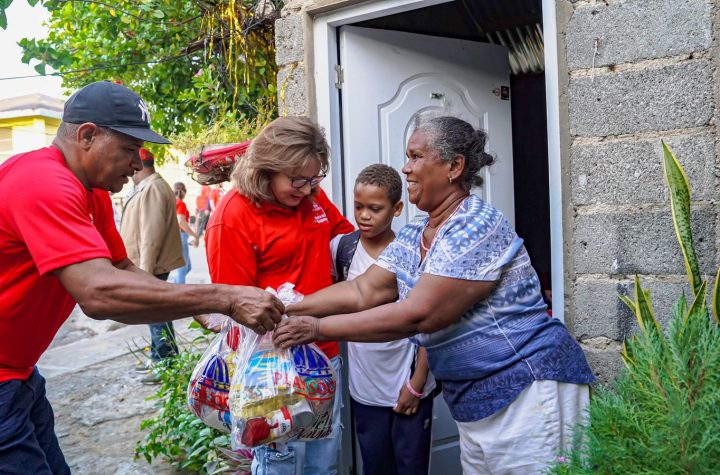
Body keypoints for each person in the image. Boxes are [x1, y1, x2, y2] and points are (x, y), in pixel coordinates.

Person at [274, 116, 596, 474]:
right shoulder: (414, 236)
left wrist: (316, 329)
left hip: (528, 392)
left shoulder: (474, 224)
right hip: (477, 403)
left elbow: (419, 315)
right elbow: (364, 289)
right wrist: (286, 306)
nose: (406, 168)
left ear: (454, 167)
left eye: (415, 157)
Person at [0, 81, 283, 475]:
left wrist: (201, 307)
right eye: (129, 149)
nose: (138, 162)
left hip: (19, 373)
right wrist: (224, 297)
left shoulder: (91, 192)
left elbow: (121, 271)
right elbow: (98, 294)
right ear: (87, 136)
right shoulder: (43, 181)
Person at [205, 116, 354, 475]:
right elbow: (233, 307)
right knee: (279, 463)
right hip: (270, 367)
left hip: (324, 354)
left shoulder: (311, 198)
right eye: (298, 180)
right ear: (267, 169)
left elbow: (348, 240)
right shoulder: (234, 216)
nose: (306, 189)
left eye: (314, 179)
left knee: (324, 461)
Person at [333, 163, 435, 475]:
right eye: (358, 206)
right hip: (365, 389)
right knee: (375, 466)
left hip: (410, 385)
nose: (364, 216)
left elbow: (430, 320)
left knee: (411, 467)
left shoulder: (414, 250)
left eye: (375, 209)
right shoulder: (342, 249)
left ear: (397, 208)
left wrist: (417, 384)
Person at [120, 149, 184, 381]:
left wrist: (143, 273)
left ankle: (164, 363)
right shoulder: (148, 187)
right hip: (146, 266)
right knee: (156, 316)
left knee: (156, 315)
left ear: (137, 164)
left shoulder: (153, 187)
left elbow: (151, 234)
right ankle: (162, 357)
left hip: (151, 267)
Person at [172, 181, 200, 286]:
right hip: (181, 235)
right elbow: (181, 222)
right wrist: (194, 235)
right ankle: (178, 293)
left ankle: (174, 286)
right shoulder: (180, 203)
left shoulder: (172, 202)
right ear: (184, 192)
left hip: (176, 236)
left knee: (187, 267)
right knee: (183, 268)